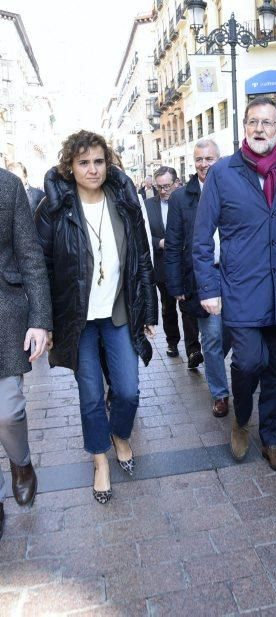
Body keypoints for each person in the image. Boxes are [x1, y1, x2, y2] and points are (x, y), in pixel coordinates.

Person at [193, 96, 276, 472]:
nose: (259, 129)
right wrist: (208, 289)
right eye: (252, 122)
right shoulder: (222, 174)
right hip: (239, 289)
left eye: (267, 123)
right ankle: (240, 421)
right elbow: (202, 238)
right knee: (249, 361)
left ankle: (272, 439)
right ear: (244, 128)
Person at [35, 130, 157, 504]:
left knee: (128, 391)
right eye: (84, 162)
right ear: (70, 167)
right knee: (90, 396)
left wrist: (148, 311)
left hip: (119, 312)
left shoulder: (124, 202)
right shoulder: (53, 210)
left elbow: (141, 259)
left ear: (108, 162)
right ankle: (100, 460)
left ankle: (120, 432)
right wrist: (46, 322)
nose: (92, 169)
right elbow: (41, 267)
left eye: (99, 161)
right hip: (79, 320)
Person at [0, 169, 51, 540]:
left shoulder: (8, 186)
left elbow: (31, 256)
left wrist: (40, 319)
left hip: (4, 314)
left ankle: (21, 464)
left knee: (8, 409)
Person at [165, 139, 231, 418]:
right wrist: (176, 285)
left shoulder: (233, 188)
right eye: (198, 160)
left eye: (209, 159)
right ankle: (220, 393)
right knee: (213, 336)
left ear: (219, 159)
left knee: (231, 335)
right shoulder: (182, 198)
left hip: (236, 276)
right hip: (203, 277)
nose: (203, 164)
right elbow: (173, 243)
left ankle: (214, 361)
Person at [145, 167, 202, 366]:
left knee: (187, 308)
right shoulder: (148, 206)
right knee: (168, 307)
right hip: (162, 266)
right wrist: (158, 242)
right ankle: (172, 342)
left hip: (186, 266)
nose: (163, 191)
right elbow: (141, 234)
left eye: (167, 186)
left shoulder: (189, 201)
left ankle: (193, 350)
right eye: (159, 187)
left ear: (177, 183)